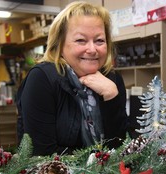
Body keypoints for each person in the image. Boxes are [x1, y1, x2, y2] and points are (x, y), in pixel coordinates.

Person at [16, 1, 128, 156]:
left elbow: (120, 149)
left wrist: (111, 97)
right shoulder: (42, 78)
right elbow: (42, 153)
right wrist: (98, 161)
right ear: (59, 45)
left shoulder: (112, 80)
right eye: (81, 40)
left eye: (99, 41)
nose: (92, 49)